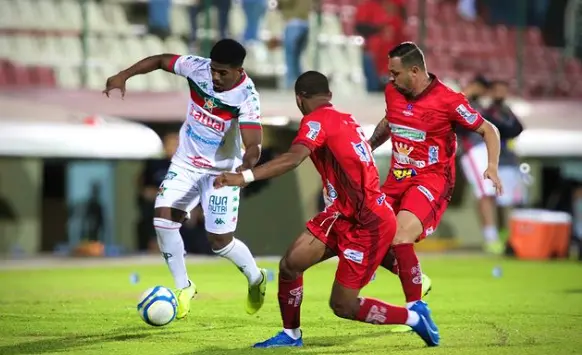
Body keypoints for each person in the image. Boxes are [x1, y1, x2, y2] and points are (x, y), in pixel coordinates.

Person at [214, 71, 440, 349]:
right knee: (290, 265)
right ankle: (291, 335)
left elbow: (293, 158)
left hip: (367, 223)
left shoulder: (315, 121)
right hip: (341, 215)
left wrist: (244, 177)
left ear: (299, 100)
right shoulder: (345, 119)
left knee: (342, 305)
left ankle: (413, 318)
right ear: (329, 96)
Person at [102, 39, 268, 319]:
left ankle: (256, 278)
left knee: (221, 243)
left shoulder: (247, 97)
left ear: (239, 71)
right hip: (186, 163)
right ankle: (184, 287)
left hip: (221, 172)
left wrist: (242, 170)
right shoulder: (197, 68)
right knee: (163, 221)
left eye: (222, 73)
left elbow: (254, 146)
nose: (215, 76)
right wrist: (123, 75)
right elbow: (159, 60)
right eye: (214, 69)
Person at [367, 42, 502, 330]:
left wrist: (491, 166)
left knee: (401, 235)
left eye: (395, 73)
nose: (390, 78)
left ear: (414, 71)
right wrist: (366, 148)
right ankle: (418, 278)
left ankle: (416, 309)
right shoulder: (393, 91)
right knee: (363, 232)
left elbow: (489, 129)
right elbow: (391, 121)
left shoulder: (448, 100)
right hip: (396, 179)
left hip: (431, 180)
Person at [459, 79, 525, 254]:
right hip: (472, 150)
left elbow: (514, 128)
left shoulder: (487, 108)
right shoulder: (461, 103)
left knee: (497, 196)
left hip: (488, 152)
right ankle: (491, 237)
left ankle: (501, 236)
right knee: (485, 193)